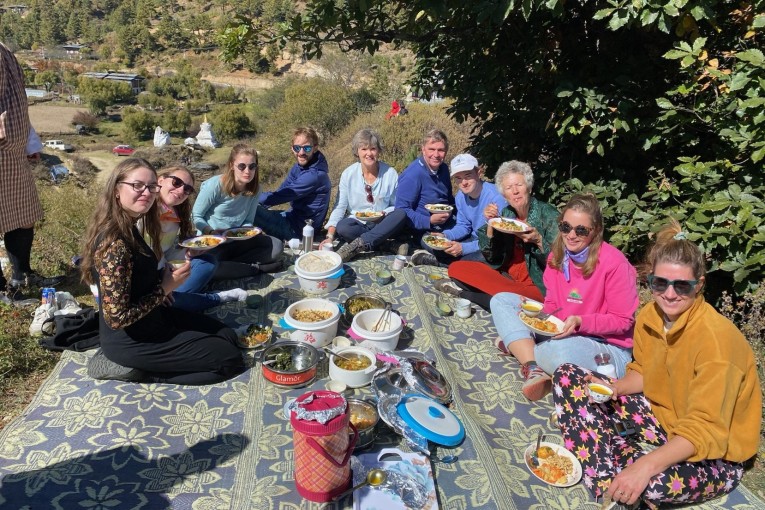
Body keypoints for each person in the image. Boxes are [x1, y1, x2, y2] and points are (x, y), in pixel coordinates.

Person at [552, 220, 761, 509]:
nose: (670, 294)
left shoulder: (717, 343)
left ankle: (619, 464)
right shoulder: (651, 314)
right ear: (650, 280)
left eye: (682, 286)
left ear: (699, 285)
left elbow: (706, 430)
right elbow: (644, 370)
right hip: (663, 422)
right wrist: (614, 387)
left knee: (653, 482)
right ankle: (609, 481)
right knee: (568, 377)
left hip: (715, 454)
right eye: (660, 283)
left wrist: (646, 466)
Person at [79, 158, 245, 384]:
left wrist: (163, 287)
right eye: (137, 186)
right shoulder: (114, 245)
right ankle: (141, 373)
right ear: (117, 189)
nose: (146, 193)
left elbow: (140, 277)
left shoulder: (131, 225)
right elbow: (117, 319)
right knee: (230, 360)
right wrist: (165, 288)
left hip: (153, 317)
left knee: (227, 336)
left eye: (151, 187)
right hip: (131, 340)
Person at [490, 193, 638, 401]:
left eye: (581, 230)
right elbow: (553, 304)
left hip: (605, 347)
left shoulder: (615, 264)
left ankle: (522, 348)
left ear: (595, 231)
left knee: (554, 352)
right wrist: (537, 312)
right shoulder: (557, 256)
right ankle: (534, 367)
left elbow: (623, 321)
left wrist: (580, 322)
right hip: (563, 332)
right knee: (502, 300)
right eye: (566, 227)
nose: (571, 235)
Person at [434, 160, 557, 309]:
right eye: (509, 188)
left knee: (520, 299)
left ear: (529, 188)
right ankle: (501, 298)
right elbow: (492, 256)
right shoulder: (507, 214)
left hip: (536, 284)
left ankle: (465, 295)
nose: (515, 191)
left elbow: (562, 264)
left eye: (519, 185)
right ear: (504, 194)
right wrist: (491, 224)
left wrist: (538, 241)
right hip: (506, 276)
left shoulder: (548, 216)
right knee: (456, 269)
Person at [0, 42, 63, 306]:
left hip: (12, 153)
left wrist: (29, 142)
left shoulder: (4, 51)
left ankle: (22, 275)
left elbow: (16, 103)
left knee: (24, 215)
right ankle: (1, 291)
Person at [150, 166, 248, 312]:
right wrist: (163, 286)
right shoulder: (145, 209)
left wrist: (188, 253)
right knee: (170, 306)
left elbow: (166, 252)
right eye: (176, 182)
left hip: (162, 272)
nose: (181, 190)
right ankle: (217, 298)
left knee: (208, 262)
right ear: (161, 180)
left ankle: (182, 295)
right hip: (147, 280)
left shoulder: (174, 216)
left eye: (187, 189)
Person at [192, 144, 284, 277]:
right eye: (242, 166)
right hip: (212, 242)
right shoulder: (215, 185)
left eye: (252, 166)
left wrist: (244, 233)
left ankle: (230, 267)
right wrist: (211, 232)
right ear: (231, 165)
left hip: (237, 241)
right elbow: (196, 216)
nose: (247, 171)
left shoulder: (255, 189)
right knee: (205, 267)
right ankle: (255, 269)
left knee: (277, 246)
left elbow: (248, 221)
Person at [321, 129, 409, 262]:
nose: (369, 153)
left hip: (382, 223)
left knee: (401, 214)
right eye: (364, 149)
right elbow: (340, 206)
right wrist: (330, 236)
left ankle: (357, 245)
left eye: (373, 149)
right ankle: (386, 244)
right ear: (357, 151)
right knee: (343, 227)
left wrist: (384, 213)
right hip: (359, 223)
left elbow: (396, 205)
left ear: (378, 151)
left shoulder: (390, 173)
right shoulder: (348, 174)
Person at [415, 153, 506, 266]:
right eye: (458, 178)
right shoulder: (460, 196)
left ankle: (440, 262)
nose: (464, 183)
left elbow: (496, 241)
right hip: (473, 238)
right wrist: (445, 236)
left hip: (491, 246)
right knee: (428, 241)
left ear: (478, 173)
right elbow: (463, 226)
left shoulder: (496, 197)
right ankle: (451, 262)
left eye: (468, 176)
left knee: (475, 259)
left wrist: (464, 248)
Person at [253, 127, 331, 241]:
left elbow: (281, 196)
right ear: (292, 148)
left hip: (300, 231)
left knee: (247, 209)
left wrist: (249, 201)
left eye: (307, 148)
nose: (301, 152)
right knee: (253, 208)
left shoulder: (315, 176)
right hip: (291, 218)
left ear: (315, 148)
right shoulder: (298, 167)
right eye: (297, 148)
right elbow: (281, 191)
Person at [395, 129, 456, 265]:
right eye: (431, 149)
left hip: (447, 222)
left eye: (440, 150)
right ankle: (429, 258)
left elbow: (448, 198)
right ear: (423, 150)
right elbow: (401, 210)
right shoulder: (413, 174)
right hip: (423, 228)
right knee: (444, 250)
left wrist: (453, 209)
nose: (436, 154)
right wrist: (429, 220)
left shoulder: (444, 169)